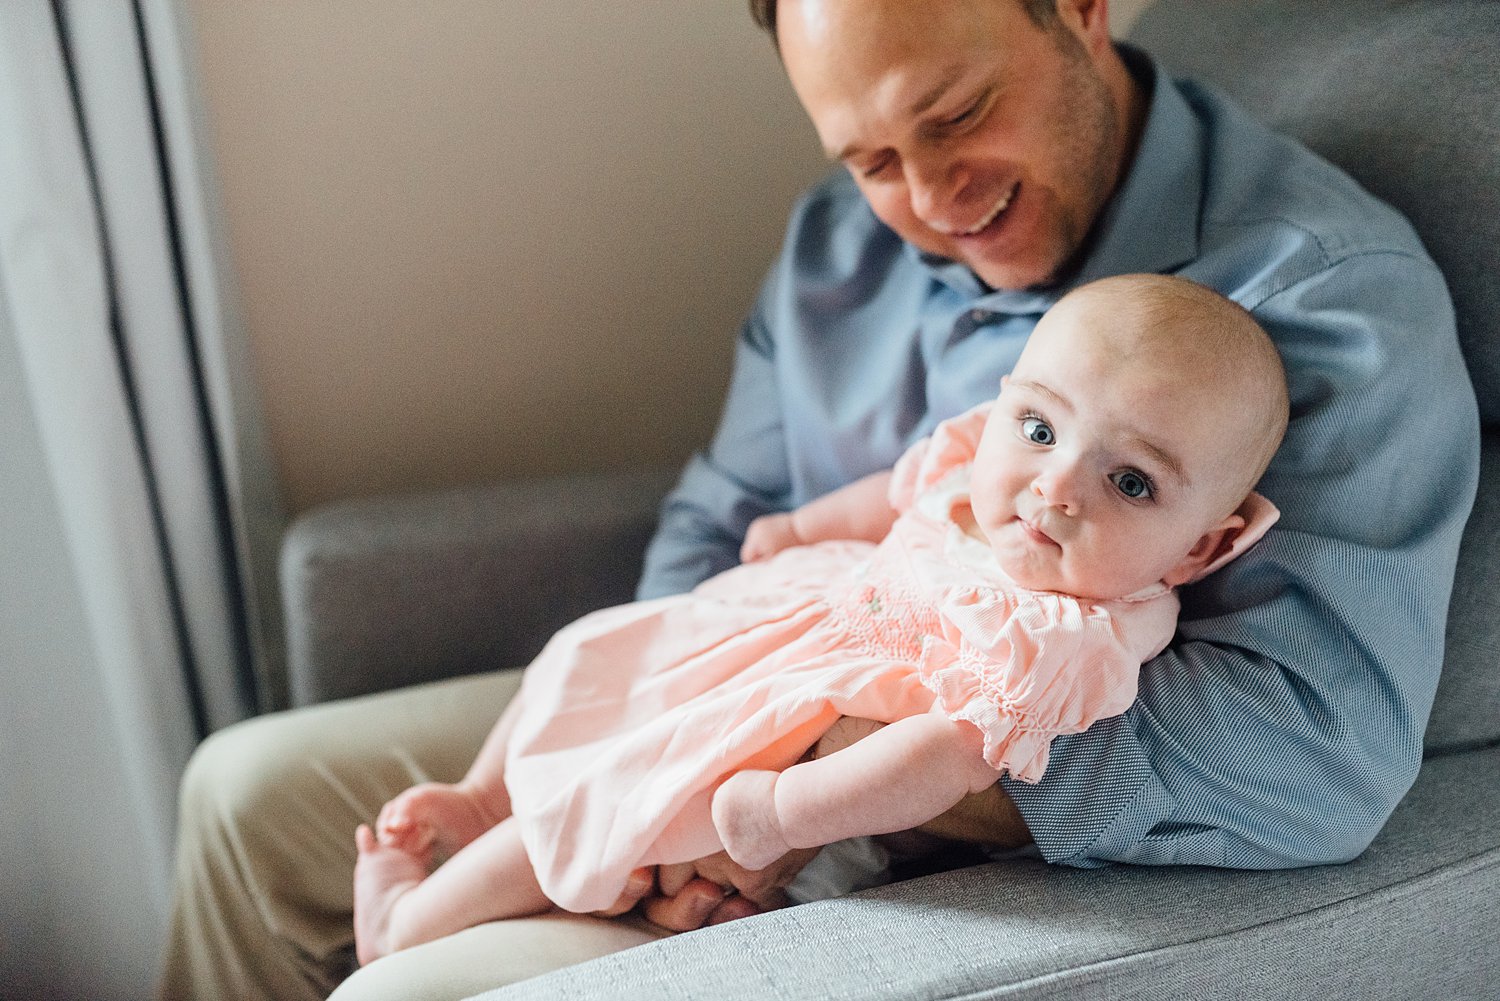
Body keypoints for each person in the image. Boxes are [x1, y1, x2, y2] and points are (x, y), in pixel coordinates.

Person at [158, 0, 1479, 998]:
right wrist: (651, 729)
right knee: (237, 791)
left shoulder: (1318, 308)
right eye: (873, 157)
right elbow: (724, 519)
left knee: (402, 985)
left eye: (956, 116)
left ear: (1081, 7)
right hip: (727, 697)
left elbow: (1319, 750)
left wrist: (809, 766)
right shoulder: (841, 249)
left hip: (907, 832)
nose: (930, 200)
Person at [350, 274, 1288, 961]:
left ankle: (405, 925)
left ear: (1204, 547)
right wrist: (804, 524)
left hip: (787, 730)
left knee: (598, 801)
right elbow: (906, 490)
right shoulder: (988, 476)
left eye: (1130, 481)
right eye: (1039, 430)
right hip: (780, 623)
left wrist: (783, 812)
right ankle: (481, 795)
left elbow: (947, 755)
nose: (1055, 488)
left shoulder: (1062, 639)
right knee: (591, 652)